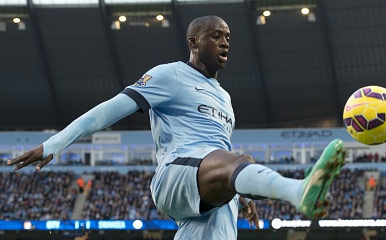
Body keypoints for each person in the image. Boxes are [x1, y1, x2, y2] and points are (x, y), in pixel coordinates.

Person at [7, 15, 346, 239]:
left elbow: (221, 154)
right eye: (216, 36)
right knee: (236, 158)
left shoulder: (225, 99)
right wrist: (55, 144)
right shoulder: (169, 75)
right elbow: (110, 110)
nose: (225, 42)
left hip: (213, 196)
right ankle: (295, 190)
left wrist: (240, 194)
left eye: (228, 37)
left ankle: (262, 188)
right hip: (176, 176)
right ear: (194, 42)